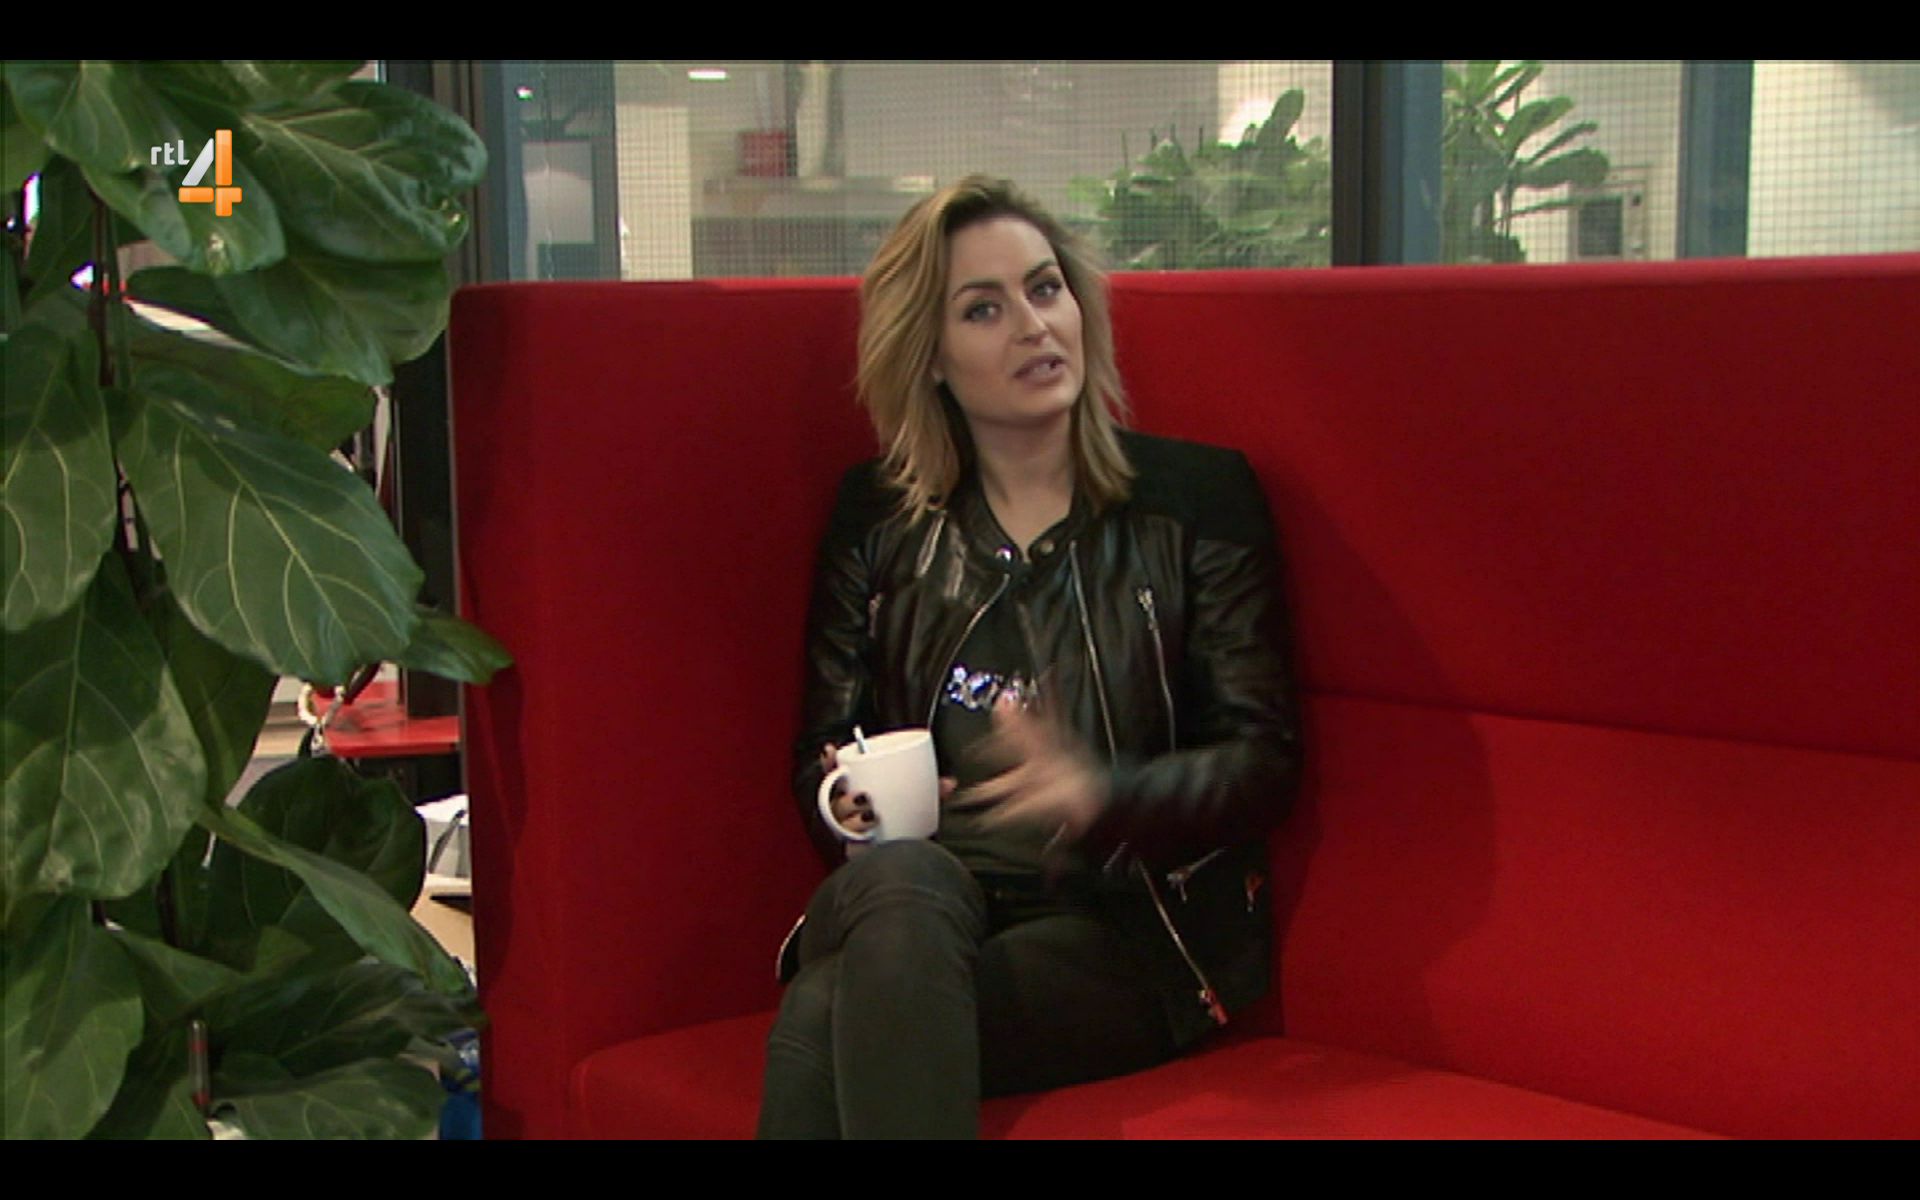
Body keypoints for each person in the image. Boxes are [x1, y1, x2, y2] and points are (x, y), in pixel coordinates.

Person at [757, 175, 1300, 1139]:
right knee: (902, 886)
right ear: (930, 356)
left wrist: (1104, 794)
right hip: (921, 893)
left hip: (1124, 923)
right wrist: (844, 800)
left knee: (829, 1006)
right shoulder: (877, 521)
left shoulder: (1197, 501)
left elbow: (1264, 762)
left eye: (1045, 290)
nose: (1033, 326)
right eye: (984, 309)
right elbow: (821, 753)